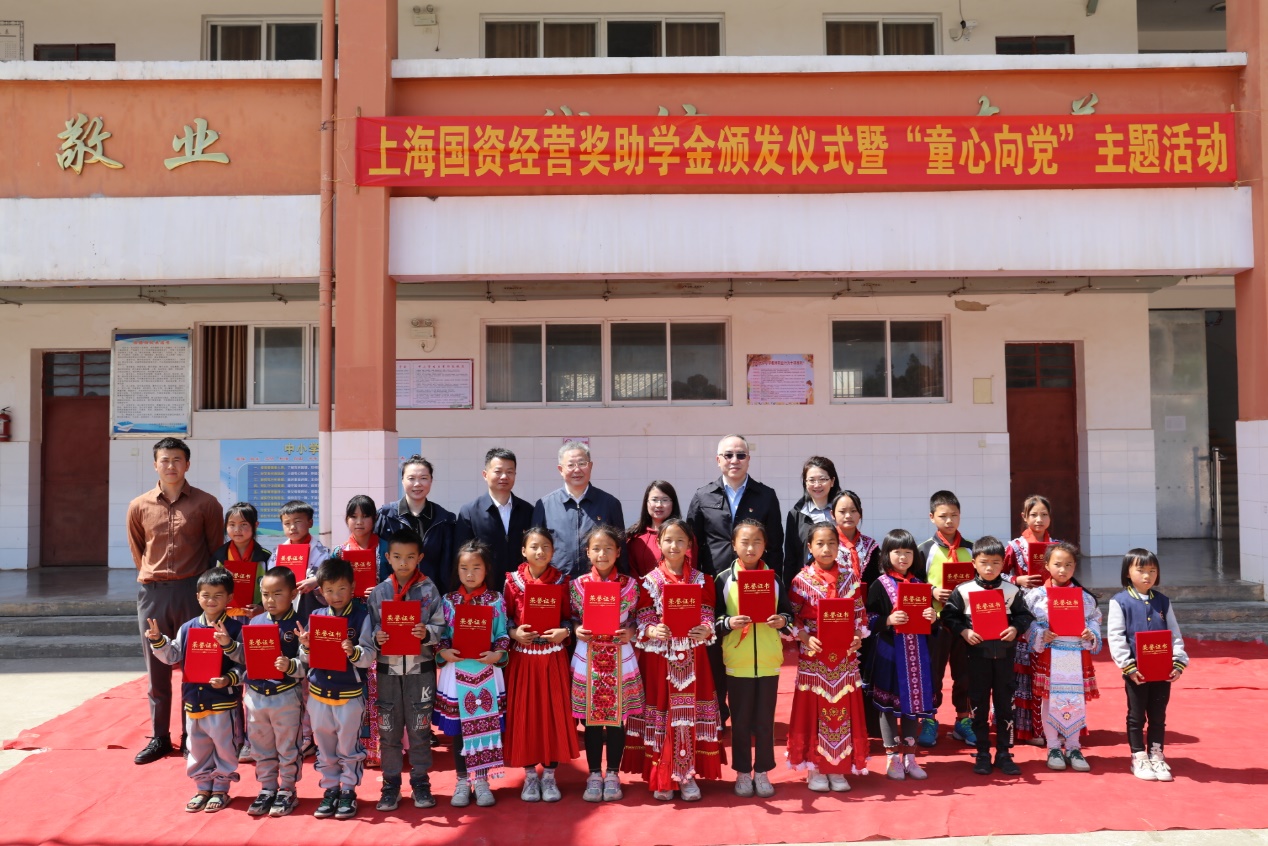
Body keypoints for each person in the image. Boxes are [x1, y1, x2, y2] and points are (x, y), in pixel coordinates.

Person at [128, 436, 225, 766]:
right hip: (153, 594)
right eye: (165, 460)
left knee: (194, 666)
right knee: (157, 670)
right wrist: (153, 577)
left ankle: (190, 735)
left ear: (187, 464)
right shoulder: (139, 506)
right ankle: (159, 736)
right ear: (155, 464)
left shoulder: (206, 504)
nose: (171, 465)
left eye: (177, 459)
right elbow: (138, 551)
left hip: (192, 593)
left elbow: (214, 551)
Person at [688, 434, 783, 728]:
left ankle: (750, 716)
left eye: (740, 455)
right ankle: (717, 713)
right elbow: (693, 545)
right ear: (718, 460)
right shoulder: (703, 496)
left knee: (749, 645)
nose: (734, 460)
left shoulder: (765, 495)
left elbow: (776, 545)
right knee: (715, 648)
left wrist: (774, 588)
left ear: (748, 460)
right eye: (728, 455)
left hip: (754, 586)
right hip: (715, 586)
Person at [627, 518, 721, 802]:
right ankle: (663, 776)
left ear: (689, 544)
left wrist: (706, 628)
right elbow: (642, 616)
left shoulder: (702, 580)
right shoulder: (649, 582)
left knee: (688, 715)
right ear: (659, 543)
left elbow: (707, 612)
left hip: (693, 659)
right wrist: (652, 629)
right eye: (668, 540)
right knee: (663, 714)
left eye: (681, 540)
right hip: (660, 660)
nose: (674, 545)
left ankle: (688, 775)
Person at [143, 567, 243, 813]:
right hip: (193, 701)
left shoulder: (236, 628)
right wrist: (158, 640)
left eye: (218, 595)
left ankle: (220, 788)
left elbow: (246, 665)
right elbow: (173, 655)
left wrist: (228, 679)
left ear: (229, 598)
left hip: (222, 702)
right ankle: (202, 787)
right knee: (197, 747)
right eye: (206, 595)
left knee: (224, 747)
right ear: (197, 597)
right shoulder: (187, 628)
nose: (211, 600)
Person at [940, 536, 1035, 777]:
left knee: (1005, 706)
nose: (990, 568)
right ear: (974, 563)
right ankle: (982, 752)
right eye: (984, 562)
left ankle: (1004, 753)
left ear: (1003, 563)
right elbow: (949, 616)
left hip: (1004, 659)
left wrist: (1015, 628)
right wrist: (964, 631)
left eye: (995, 562)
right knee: (978, 706)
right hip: (975, 659)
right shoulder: (963, 591)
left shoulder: (1011, 591)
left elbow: (1024, 616)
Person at [365, 528, 446, 811]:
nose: (403, 562)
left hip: (420, 670)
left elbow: (441, 626)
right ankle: (390, 785)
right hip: (387, 671)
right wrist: (377, 637)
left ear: (420, 557)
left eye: (410, 557)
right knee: (388, 730)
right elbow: (370, 629)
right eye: (397, 556)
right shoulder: (380, 592)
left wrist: (427, 633)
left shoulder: (429, 589)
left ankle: (421, 782)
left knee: (420, 729)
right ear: (387, 557)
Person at [713, 519, 792, 799]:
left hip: (768, 659)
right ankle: (743, 772)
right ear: (733, 546)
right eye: (744, 542)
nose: (751, 548)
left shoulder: (774, 579)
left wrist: (781, 621)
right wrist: (728, 622)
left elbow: (788, 614)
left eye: (757, 542)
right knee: (741, 721)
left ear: (765, 545)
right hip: (738, 661)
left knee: (765, 721)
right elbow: (712, 619)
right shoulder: (723, 579)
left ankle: (763, 771)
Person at [787, 522, 869, 793]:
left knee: (841, 710)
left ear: (839, 547)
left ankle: (838, 767)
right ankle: (815, 767)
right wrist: (804, 637)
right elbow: (792, 617)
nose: (826, 549)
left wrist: (857, 635)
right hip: (814, 656)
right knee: (814, 711)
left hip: (844, 657)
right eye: (820, 543)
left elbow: (859, 614)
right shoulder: (800, 581)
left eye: (832, 543)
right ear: (810, 547)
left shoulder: (850, 577)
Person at [296, 557, 378, 820]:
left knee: (348, 746)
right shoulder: (317, 617)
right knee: (325, 745)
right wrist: (306, 646)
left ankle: (348, 791)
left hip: (349, 694)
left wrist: (353, 652)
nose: (336, 595)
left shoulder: (362, 617)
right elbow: (305, 659)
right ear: (321, 591)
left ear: (352, 587)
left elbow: (369, 655)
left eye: (342, 588)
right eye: (329, 590)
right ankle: (330, 789)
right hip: (319, 694)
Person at [569, 524, 644, 803]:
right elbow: (572, 616)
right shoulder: (577, 586)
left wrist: (631, 631)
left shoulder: (631, 585)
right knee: (590, 720)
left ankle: (612, 773)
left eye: (608, 548)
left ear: (618, 552)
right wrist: (576, 629)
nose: (602, 554)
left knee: (616, 719)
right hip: (588, 656)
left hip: (619, 656)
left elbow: (637, 617)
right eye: (596, 549)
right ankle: (593, 774)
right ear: (587, 552)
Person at [502, 527, 578, 802]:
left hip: (552, 657)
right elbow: (505, 618)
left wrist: (564, 631)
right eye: (534, 546)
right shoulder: (512, 582)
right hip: (523, 657)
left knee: (552, 714)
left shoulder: (562, 581)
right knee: (525, 713)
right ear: (524, 551)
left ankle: (549, 775)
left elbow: (570, 617)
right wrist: (514, 633)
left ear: (553, 551)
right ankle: (530, 777)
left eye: (546, 546)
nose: (540, 551)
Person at [435, 539, 511, 808]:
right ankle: (461, 780)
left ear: (486, 569)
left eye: (476, 567)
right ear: (457, 570)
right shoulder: (448, 600)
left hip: (486, 671)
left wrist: (498, 654)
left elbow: (502, 634)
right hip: (456, 671)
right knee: (459, 729)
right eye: (464, 568)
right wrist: (443, 651)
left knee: (485, 725)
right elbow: (442, 635)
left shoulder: (495, 600)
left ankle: (482, 780)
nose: (469, 574)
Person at [1107, 548, 1189, 782]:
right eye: (1141, 570)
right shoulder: (1119, 601)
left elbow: (1174, 633)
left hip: (1162, 670)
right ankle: (1138, 755)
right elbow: (1116, 636)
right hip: (1136, 672)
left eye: (1152, 571)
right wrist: (1128, 666)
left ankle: (1156, 753)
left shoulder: (1162, 601)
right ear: (1127, 573)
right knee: (1136, 715)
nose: (1147, 576)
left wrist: (1178, 661)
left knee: (1158, 714)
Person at [232, 565, 306, 817]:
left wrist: (290, 665)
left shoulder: (300, 624)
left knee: (288, 746)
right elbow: (244, 656)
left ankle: (287, 789)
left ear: (293, 593)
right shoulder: (255, 621)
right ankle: (267, 787)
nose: (270, 600)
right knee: (260, 746)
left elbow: (307, 663)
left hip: (286, 695)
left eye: (277, 594)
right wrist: (228, 645)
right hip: (255, 695)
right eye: (265, 594)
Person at [865, 529, 937, 781]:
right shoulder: (879, 584)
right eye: (897, 552)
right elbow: (868, 618)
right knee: (888, 704)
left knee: (912, 705)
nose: (903, 557)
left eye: (908, 552)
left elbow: (931, 623)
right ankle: (892, 756)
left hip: (917, 654)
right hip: (890, 653)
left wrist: (933, 617)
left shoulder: (920, 585)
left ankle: (910, 756)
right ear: (887, 555)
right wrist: (888, 620)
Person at [1024, 541, 1101, 773]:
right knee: (1050, 700)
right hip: (1051, 654)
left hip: (1076, 655)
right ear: (1047, 565)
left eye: (1068, 565)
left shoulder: (1085, 598)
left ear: (1075, 566)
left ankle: (1074, 746)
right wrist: (1040, 633)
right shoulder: (1035, 596)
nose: (1063, 569)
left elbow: (1094, 620)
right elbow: (1026, 623)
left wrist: (1091, 633)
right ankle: (1053, 747)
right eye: (1057, 564)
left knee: (1075, 699)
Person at [914, 490, 975, 748]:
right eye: (943, 516)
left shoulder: (972, 549)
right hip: (936, 623)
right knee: (933, 673)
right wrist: (931, 591)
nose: (949, 521)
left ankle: (964, 719)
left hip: (965, 624)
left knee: (965, 674)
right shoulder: (924, 550)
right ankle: (929, 719)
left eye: (954, 515)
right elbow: (913, 583)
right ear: (932, 517)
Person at [333, 494, 390, 768]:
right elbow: (329, 586)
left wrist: (381, 589)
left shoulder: (387, 548)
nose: (359, 521)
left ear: (374, 519)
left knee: (377, 684)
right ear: (346, 520)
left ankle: (378, 747)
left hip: (381, 625)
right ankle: (351, 746)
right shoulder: (339, 552)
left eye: (365, 516)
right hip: (350, 625)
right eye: (353, 516)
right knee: (352, 684)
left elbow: (401, 580)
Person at [533, 441, 626, 579]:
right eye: (570, 465)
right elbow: (534, 546)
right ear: (560, 469)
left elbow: (621, 549)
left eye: (582, 463)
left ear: (590, 466)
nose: (577, 470)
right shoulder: (545, 505)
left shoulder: (610, 503)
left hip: (597, 584)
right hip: (557, 582)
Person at [1003, 494, 1054, 746]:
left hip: (1051, 615)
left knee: (1048, 669)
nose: (1039, 519)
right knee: (1021, 670)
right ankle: (1021, 728)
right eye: (1033, 514)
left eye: (1044, 514)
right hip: (1021, 614)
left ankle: (1050, 727)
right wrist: (1017, 580)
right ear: (1024, 517)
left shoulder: (1057, 547)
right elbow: (996, 575)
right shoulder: (1014, 547)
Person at [454, 447, 535, 591]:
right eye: (498, 471)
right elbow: (462, 556)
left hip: (520, 590)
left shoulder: (527, 510)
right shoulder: (470, 512)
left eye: (509, 472)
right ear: (485, 474)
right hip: (484, 591)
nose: (504, 476)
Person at [375, 455, 456, 592]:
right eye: (411, 478)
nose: (417, 484)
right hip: (392, 595)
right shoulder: (386, 515)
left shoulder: (444, 519)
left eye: (423, 478)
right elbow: (376, 557)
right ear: (402, 480)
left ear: (431, 480)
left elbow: (448, 564)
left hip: (431, 596)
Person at [266, 500, 329, 618]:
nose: (292, 527)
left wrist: (316, 580)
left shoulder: (323, 552)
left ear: (310, 522)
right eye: (287, 523)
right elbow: (268, 577)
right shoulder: (277, 552)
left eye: (298, 522)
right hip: (282, 608)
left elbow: (330, 578)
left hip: (310, 607)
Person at [211, 501, 272, 621]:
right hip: (224, 616)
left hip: (256, 616)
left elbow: (273, 587)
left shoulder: (265, 557)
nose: (237, 529)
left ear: (255, 525)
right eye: (232, 524)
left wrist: (263, 608)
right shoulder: (219, 556)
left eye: (244, 524)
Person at [783, 457, 842, 573]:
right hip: (807, 580)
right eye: (812, 480)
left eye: (822, 479)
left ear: (832, 481)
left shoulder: (842, 511)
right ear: (805, 482)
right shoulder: (796, 514)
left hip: (840, 578)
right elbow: (791, 557)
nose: (817, 485)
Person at [627, 480, 695, 577]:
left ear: (673, 503)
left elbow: (691, 569)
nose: (659, 505)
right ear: (646, 503)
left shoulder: (685, 535)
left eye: (665, 500)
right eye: (654, 500)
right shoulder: (634, 537)